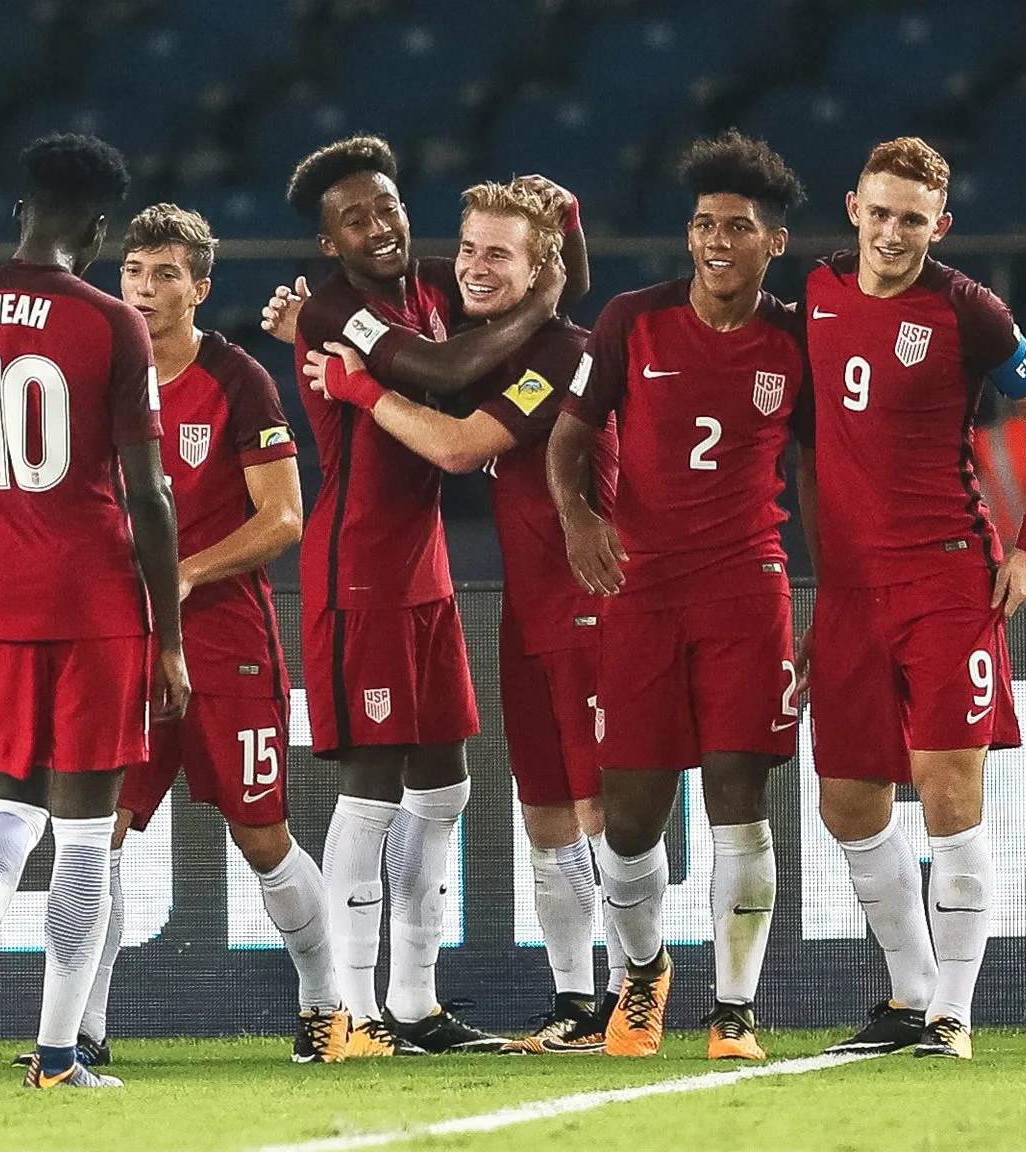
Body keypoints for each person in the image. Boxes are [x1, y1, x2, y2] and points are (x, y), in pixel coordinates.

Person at [270, 135, 571, 1055]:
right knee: (371, 790)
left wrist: (561, 232)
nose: (380, 227)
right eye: (354, 219)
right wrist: (550, 292)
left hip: (423, 565)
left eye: (388, 206)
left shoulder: (434, 282)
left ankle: (412, 1004)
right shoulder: (331, 313)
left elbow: (532, 282)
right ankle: (341, 1013)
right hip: (358, 567)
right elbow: (443, 377)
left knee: (442, 791)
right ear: (330, 244)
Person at [0, 134, 188, 1090]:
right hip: (96, 592)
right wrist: (172, 638)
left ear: (18, 208)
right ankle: (61, 1056)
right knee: (84, 836)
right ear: (101, 227)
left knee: (5, 802)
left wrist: (3, 502)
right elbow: (150, 497)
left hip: (0, 585)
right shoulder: (112, 324)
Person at [801, 137, 1026, 1060]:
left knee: (947, 789)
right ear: (852, 207)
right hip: (849, 590)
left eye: (911, 218)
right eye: (878, 212)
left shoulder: (968, 310)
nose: (891, 231)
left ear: (939, 225)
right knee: (845, 803)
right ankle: (908, 997)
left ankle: (951, 1013)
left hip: (946, 575)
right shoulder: (816, 293)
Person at [53, 203, 339, 1064]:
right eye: (133, 272)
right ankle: (86, 1030)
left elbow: (284, 515)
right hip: (121, 644)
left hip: (224, 636)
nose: (144, 289)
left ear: (200, 288)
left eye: (166, 274)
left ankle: (328, 1006)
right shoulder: (90, 376)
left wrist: (185, 572)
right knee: (95, 834)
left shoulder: (237, 380)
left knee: (261, 836)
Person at [548, 131, 807, 1061]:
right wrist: (581, 519)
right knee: (627, 816)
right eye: (703, 224)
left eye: (737, 227)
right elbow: (567, 440)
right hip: (643, 592)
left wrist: (826, 584)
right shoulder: (632, 319)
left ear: (772, 241)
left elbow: (820, 472)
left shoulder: (796, 336)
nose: (716, 241)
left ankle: (733, 1009)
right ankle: (646, 974)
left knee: (739, 795)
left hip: (746, 588)